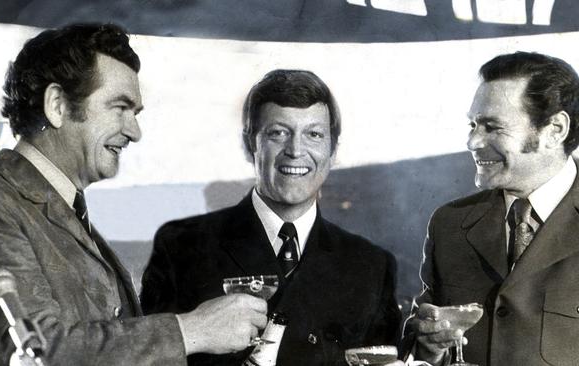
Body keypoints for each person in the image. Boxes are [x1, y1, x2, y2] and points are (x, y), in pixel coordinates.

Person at [0, 23, 268, 366]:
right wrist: (191, 331)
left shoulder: (57, 206)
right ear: (57, 105)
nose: (134, 131)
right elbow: (36, 355)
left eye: (135, 113)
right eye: (120, 108)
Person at [140, 69, 403, 366]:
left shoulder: (371, 265)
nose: (295, 150)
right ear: (249, 144)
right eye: (278, 133)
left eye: (313, 135)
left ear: (333, 151)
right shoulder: (181, 247)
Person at [406, 51, 579, 365]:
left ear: (555, 130)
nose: (473, 142)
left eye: (492, 127)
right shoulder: (450, 224)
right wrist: (428, 348)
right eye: (474, 125)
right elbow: (416, 347)